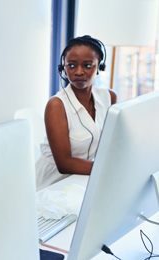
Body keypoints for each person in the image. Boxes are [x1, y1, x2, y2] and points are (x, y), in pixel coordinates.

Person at [35, 35, 117, 190]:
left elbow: (113, 142)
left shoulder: (109, 97)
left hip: (83, 181)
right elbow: (64, 164)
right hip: (51, 185)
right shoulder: (56, 105)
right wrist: (110, 171)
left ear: (100, 67)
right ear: (63, 68)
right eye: (71, 66)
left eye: (87, 65)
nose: (78, 72)